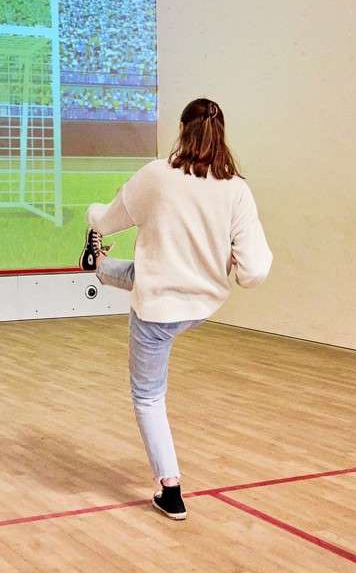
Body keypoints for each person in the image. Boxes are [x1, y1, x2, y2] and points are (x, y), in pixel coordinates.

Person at [79, 98, 272, 520]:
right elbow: (255, 270)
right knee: (148, 273)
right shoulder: (237, 188)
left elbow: (106, 220)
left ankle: (171, 489)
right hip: (200, 302)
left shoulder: (156, 176)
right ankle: (101, 267)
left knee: (148, 397)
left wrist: (91, 216)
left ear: (183, 130)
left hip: (157, 310)